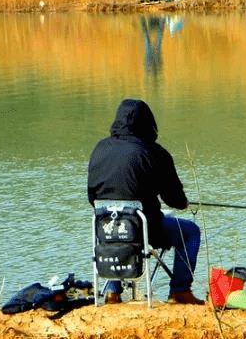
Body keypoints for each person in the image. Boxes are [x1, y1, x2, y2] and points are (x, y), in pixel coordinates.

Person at [87, 99, 204, 305]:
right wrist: (184, 202)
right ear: (149, 123)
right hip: (144, 229)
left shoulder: (100, 148)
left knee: (118, 230)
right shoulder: (154, 152)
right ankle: (180, 290)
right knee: (191, 232)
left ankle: (113, 292)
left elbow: (92, 196)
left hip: (104, 229)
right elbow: (174, 200)